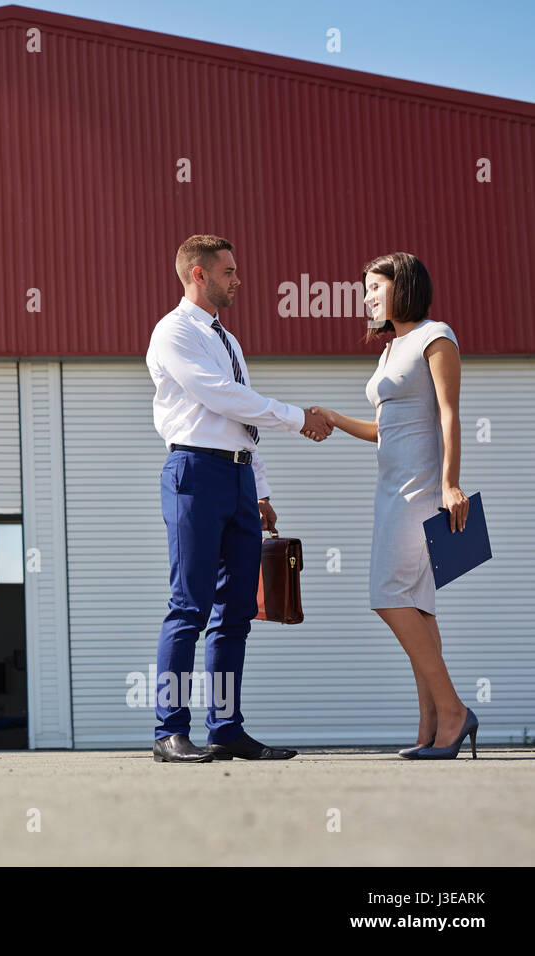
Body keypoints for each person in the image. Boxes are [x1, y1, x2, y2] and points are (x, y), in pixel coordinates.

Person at [146, 234, 332, 763]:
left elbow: (244, 419)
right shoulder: (173, 332)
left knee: (234, 615)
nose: (238, 279)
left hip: (237, 478)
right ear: (198, 275)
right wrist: (299, 418)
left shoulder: (229, 340)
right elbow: (220, 397)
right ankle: (169, 731)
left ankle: (225, 728)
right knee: (188, 607)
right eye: (228, 271)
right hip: (194, 473)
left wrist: (263, 490)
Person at [314, 252, 478, 759]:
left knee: (388, 596)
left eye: (373, 288)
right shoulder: (389, 351)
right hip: (391, 490)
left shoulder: (436, 336)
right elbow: (387, 430)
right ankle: (431, 723)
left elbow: (449, 415)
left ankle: (453, 712)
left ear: (402, 286)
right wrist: (336, 418)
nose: (365, 299)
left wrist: (451, 484)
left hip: (422, 491)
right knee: (421, 609)